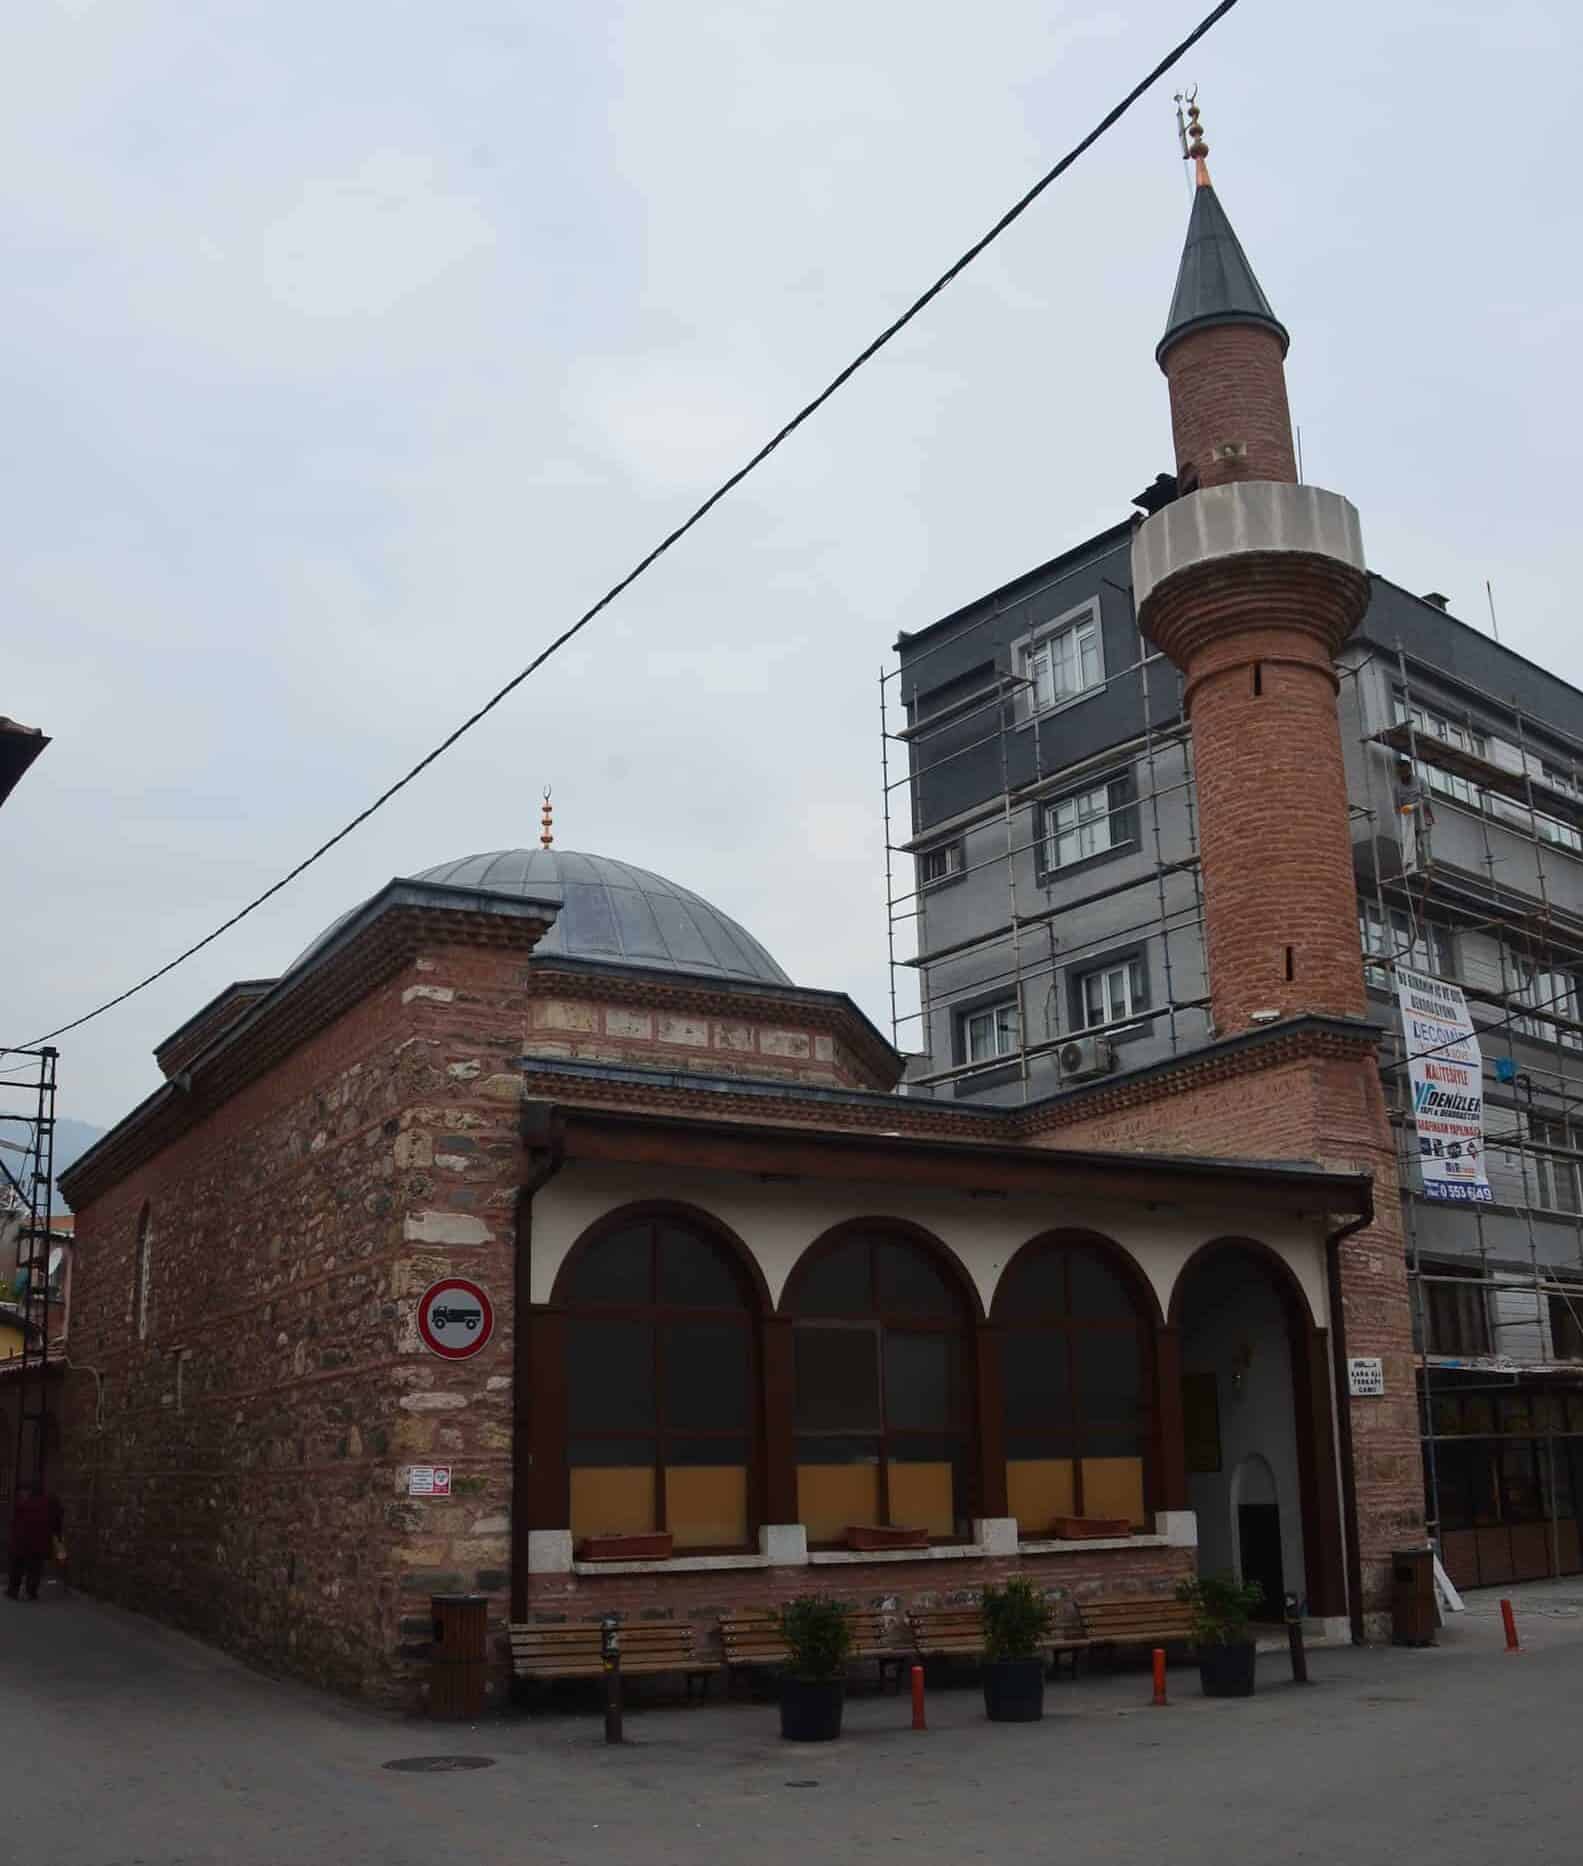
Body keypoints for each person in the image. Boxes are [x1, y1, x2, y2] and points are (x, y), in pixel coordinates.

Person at [7, 1480, 62, 1602]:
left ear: (29, 1492)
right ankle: (31, 1592)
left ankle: (13, 1591)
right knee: (35, 1567)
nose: (21, 1493)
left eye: (23, 1491)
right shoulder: (50, 1503)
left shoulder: (23, 1504)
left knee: (17, 1566)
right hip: (40, 1542)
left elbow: (16, 1523)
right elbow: (57, 1520)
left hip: (23, 1541)